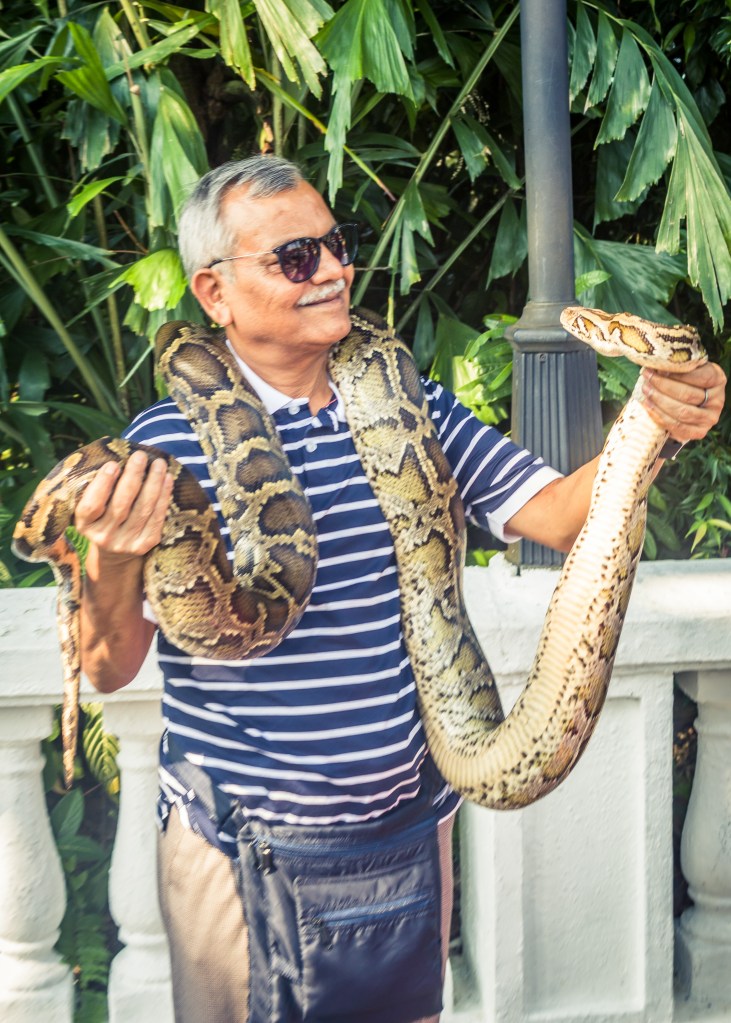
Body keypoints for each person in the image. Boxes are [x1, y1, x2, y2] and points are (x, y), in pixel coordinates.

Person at [76, 155, 726, 1023]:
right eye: (295, 257)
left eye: (337, 244)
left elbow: (560, 515)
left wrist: (653, 417)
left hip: (405, 841)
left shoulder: (414, 404)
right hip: (238, 853)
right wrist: (111, 556)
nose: (333, 270)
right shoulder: (162, 448)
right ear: (214, 293)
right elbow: (108, 666)